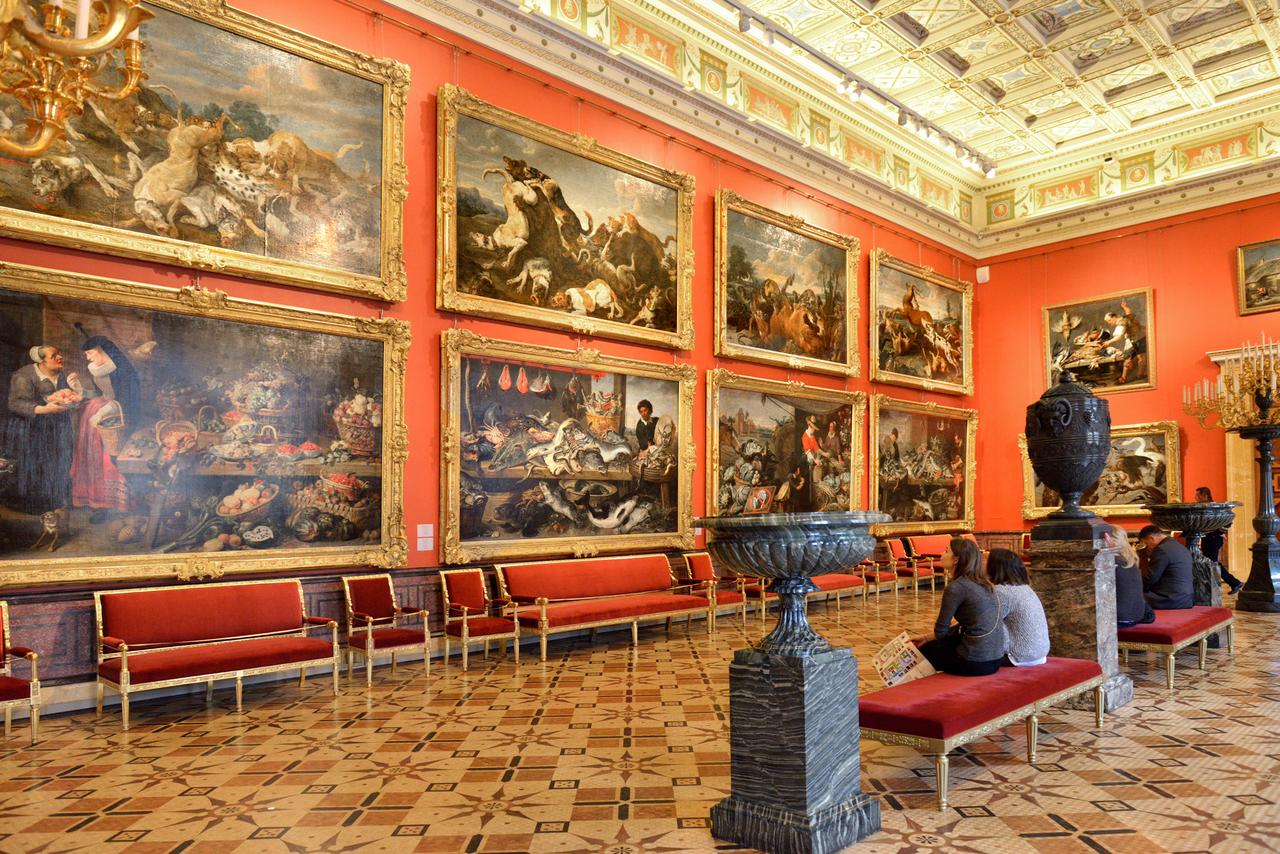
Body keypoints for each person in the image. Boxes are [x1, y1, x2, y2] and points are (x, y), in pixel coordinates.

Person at [3, 345, 78, 535]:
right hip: (31, 428)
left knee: (61, 459)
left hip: (57, 425)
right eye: (54, 355)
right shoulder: (24, 376)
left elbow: (67, 395)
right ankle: (36, 505)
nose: (60, 357)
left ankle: (58, 501)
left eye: (59, 353)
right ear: (41, 361)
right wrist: (45, 409)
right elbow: (15, 404)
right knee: (37, 464)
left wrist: (74, 394)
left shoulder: (60, 374)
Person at [69, 335, 141, 520]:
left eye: (90, 353)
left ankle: (116, 504)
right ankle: (97, 504)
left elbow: (126, 402)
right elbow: (99, 393)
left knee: (108, 460)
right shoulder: (97, 369)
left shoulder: (124, 371)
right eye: (86, 354)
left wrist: (102, 413)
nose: (88, 358)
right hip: (96, 414)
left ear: (104, 351)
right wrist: (80, 390)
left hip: (117, 418)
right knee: (92, 459)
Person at [913, 538, 1004, 676]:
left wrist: (930, 639)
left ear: (956, 559)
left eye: (946, 551)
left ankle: (919, 693)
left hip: (974, 662)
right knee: (933, 645)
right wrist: (927, 637)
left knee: (919, 652)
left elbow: (940, 632)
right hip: (995, 658)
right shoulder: (985, 583)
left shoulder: (956, 587)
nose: (941, 554)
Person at [987, 548, 1049, 667]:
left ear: (994, 566)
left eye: (985, 559)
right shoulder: (1025, 588)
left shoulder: (1002, 592)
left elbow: (988, 624)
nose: (982, 563)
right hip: (1039, 654)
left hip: (1018, 656)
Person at [1195, 486, 1244, 594]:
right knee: (1211, 562)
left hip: (1213, 539)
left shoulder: (1215, 507)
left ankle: (1233, 583)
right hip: (1208, 538)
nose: (1195, 498)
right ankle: (1232, 583)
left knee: (1212, 563)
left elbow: (1228, 521)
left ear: (1205, 496)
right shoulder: (1204, 507)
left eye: (1197, 495)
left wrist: (1219, 532)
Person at [1106, 526, 1154, 627]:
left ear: (1107, 539)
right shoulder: (1129, 560)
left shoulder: (1110, 561)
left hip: (1119, 619)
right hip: (1137, 615)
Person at [1138, 524, 1193, 610]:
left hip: (1169, 599)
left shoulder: (1161, 549)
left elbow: (1150, 578)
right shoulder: (1179, 546)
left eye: (1146, 543)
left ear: (1151, 538)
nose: (1147, 547)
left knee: (1130, 595)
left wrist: (1137, 587)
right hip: (1186, 599)